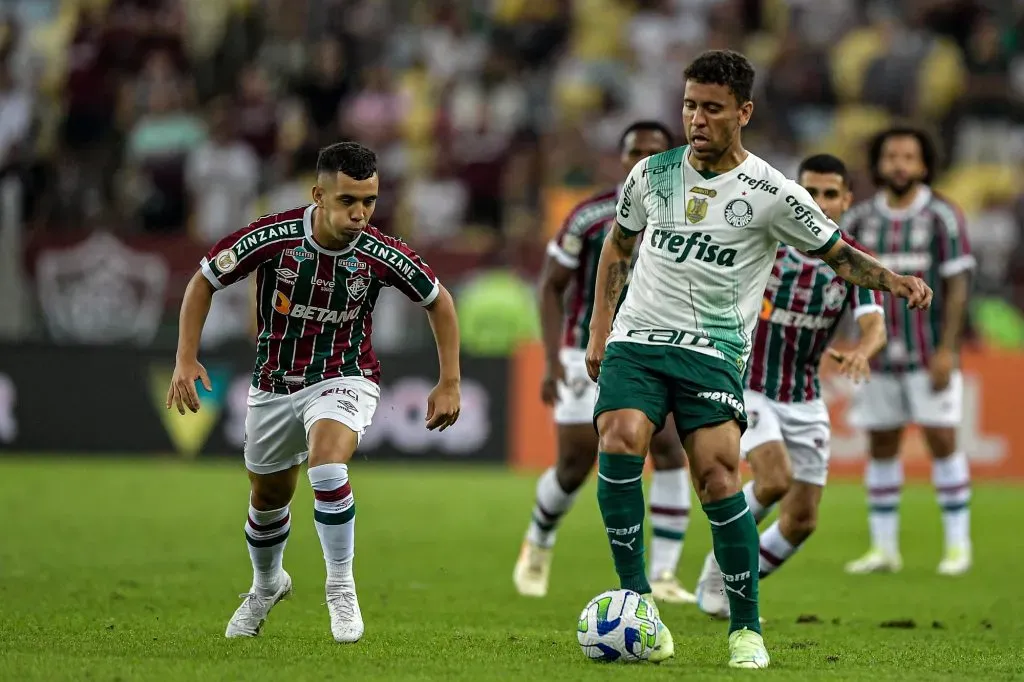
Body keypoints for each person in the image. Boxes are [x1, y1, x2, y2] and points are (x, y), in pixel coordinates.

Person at [585, 49, 932, 669]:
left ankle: (745, 626)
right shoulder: (651, 175)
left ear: (742, 112)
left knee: (719, 478)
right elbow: (618, 248)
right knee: (620, 437)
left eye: (712, 108)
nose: (696, 118)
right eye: (690, 105)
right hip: (638, 340)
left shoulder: (773, 192)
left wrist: (894, 281)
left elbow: (838, 254)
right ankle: (637, 600)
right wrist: (598, 331)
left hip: (713, 352)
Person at [165, 141, 461, 643]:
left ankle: (341, 589)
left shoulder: (380, 252)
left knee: (327, 463)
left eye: (369, 201)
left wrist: (449, 380)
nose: (361, 213)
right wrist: (186, 358)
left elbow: (439, 300)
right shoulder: (273, 237)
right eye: (348, 201)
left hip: (346, 375)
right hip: (274, 384)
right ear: (318, 194)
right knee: (267, 498)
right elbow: (203, 281)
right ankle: (267, 585)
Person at [694, 154, 888, 620]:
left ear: (846, 200)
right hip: (751, 385)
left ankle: (738, 575)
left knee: (802, 521)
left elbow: (874, 324)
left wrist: (864, 350)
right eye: (810, 192)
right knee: (774, 478)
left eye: (829, 194)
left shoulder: (853, 261)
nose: (819, 203)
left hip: (803, 396)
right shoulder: (766, 241)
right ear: (794, 194)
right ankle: (721, 568)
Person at [514, 121, 695, 604]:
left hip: (654, 348)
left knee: (671, 447)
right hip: (583, 347)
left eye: (654, 151)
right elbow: (552, 284)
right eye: (635, 150)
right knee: (576, 461)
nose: (643, 158)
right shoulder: (590, 215)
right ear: (620, 158)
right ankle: (540, 538)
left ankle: (663, 575)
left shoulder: (687, 215)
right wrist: (552, 362)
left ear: (671, 157)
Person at [842, 126, 974, 577]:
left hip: (927, 351)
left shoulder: (942, 215)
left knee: (941, 438)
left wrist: (947, 350)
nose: (899, 164)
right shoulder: (859, 219)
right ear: (879, 163)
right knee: (881, 443)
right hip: (878, 355)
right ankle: (883, 550)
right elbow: (844, 281)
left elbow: (957, 286)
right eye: (891, 156)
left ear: (923, 164)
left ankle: (958, 546)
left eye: (909, 157)